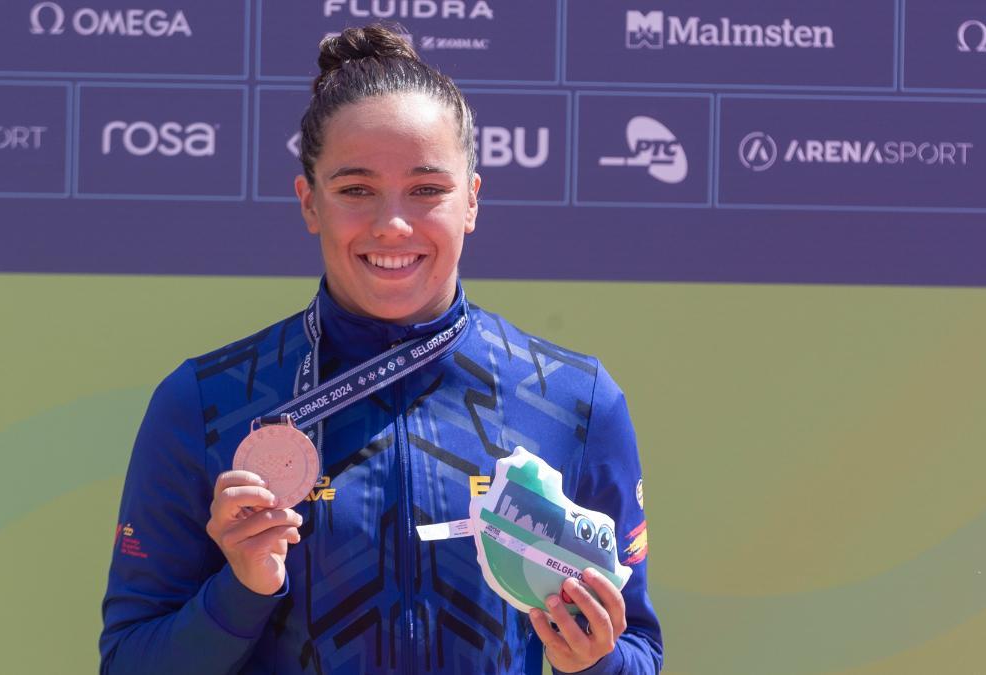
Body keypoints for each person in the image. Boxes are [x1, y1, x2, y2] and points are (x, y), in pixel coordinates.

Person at [99, 25, 663, 675]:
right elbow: (128, 662)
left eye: (427, 189)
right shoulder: (205, 402)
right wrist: (242, 588)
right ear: (310, 201)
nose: (392, 224)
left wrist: (594, 660)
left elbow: (639, 651)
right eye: (356, 188)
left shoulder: (575, 401)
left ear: (472, 200)